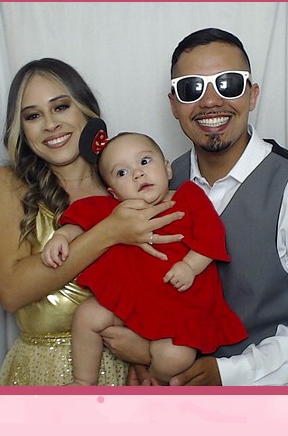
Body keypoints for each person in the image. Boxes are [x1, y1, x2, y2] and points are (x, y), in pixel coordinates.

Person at [102, 28, 288, 385]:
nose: (211, 101)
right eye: (192, 88)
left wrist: (226, 375)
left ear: (252, 95)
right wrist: (148, 354)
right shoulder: (153, 185)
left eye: (229, 84)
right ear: (174, 104)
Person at [0, 59, 185, 386]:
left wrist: (146, 351)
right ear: (21, 129)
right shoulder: (7, 184)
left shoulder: (127, 183)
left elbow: (162, 275)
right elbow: (10, 291)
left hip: (124, 367)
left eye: (61, 107)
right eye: (33, 116)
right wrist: (108, 232)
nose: (50, 124)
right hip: (43, 370)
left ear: (87, 111)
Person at [46, 124, 245, 385]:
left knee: (176, 358)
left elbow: (212, 235)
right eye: (122, 172)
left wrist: (190, 266)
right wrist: (61, 237)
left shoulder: (189, 197)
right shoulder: (117, 210)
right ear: (114, 193)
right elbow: (81, 220)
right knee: (87, 315)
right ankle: (83, 381)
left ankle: (153, 378)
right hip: (134, 301)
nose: (138, 174)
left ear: (167, 168)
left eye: (145, 161)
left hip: (181, 308)